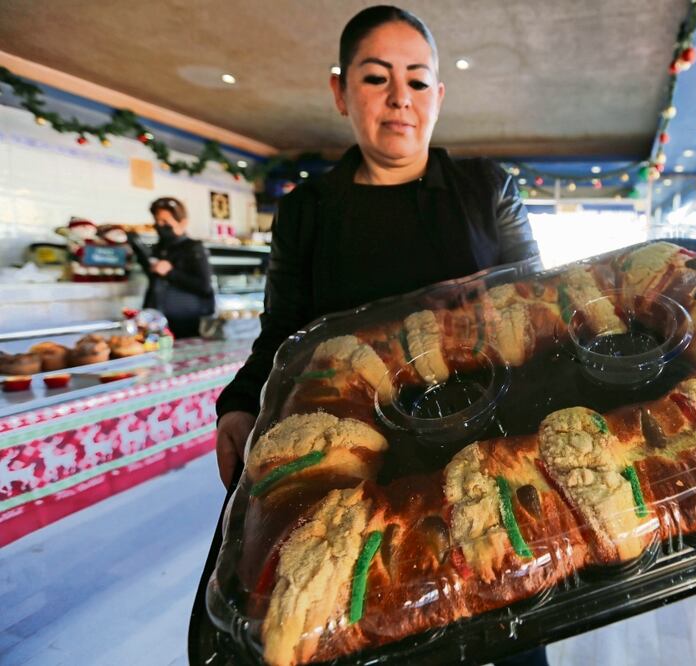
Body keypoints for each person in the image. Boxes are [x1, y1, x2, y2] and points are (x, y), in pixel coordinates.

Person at [214, 7, 545, 664]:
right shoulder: (308, 211)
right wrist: (240, 401)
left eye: (418, 82)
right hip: (350, 485)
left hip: (478, 470)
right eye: (376, 78)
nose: (400, 99)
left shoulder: (486, 190)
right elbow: (283, 335)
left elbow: (533, 315)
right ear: (340, 91)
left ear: (438, 97)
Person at [128, 197, 214, 338]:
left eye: (166, 222)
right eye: (157, 221)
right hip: (156, 322)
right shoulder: (159, 248)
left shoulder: (194, 247)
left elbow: (204, 286)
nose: (160, 226)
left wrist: (170, 272)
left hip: (185, 325)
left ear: (182, 222)